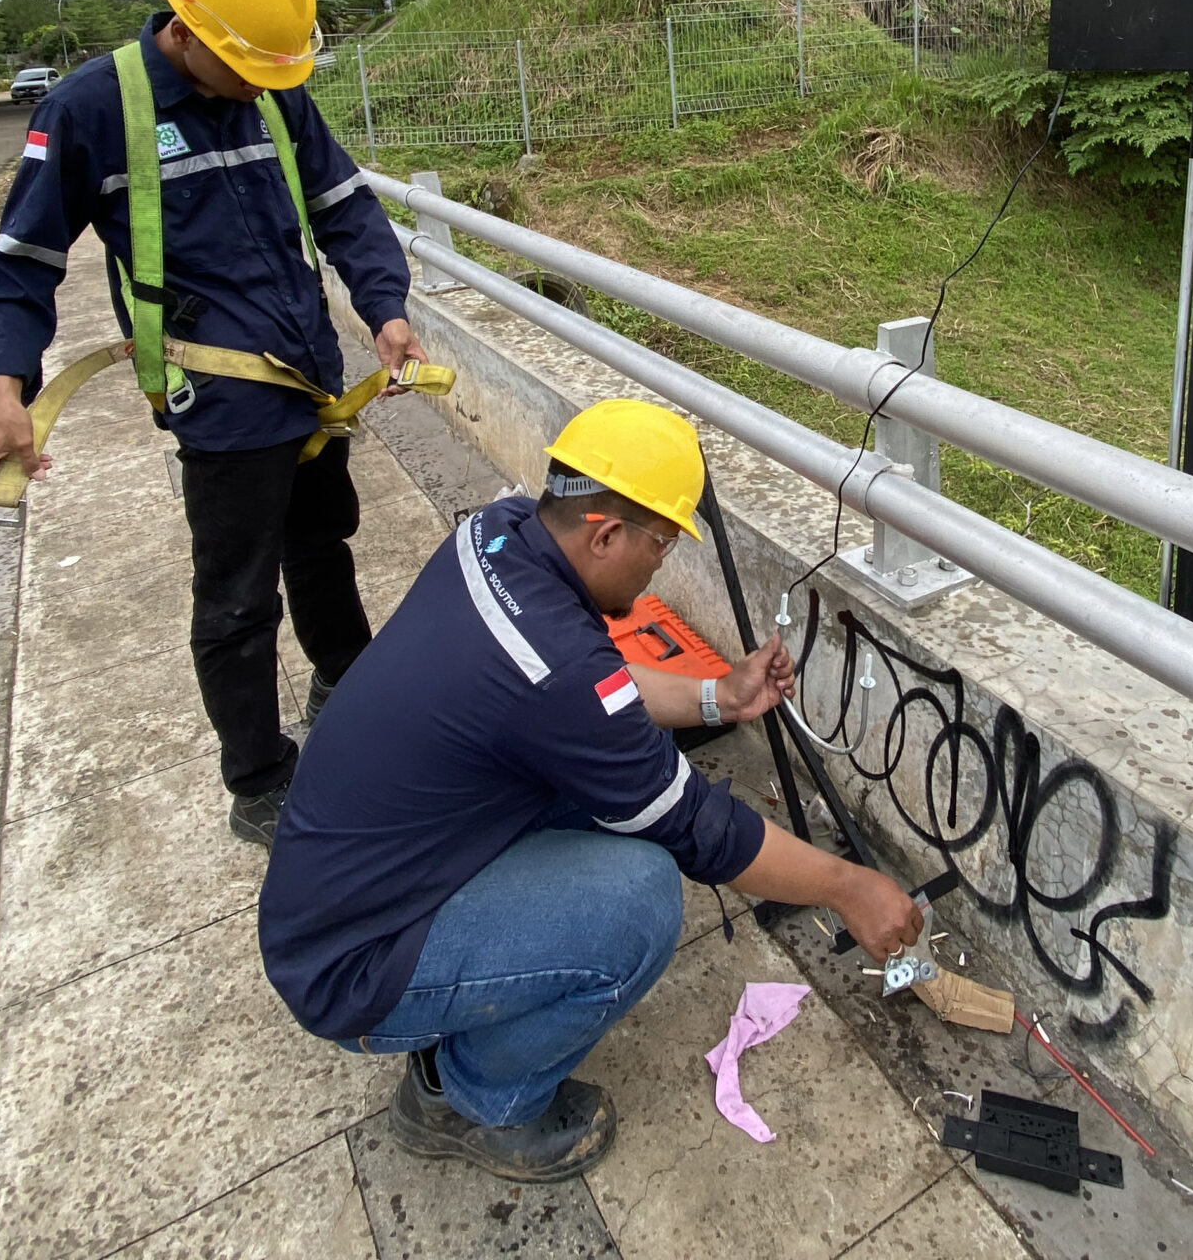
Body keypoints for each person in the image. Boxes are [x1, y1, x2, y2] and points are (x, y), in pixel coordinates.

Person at [259, 398, 925, 1183]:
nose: (661, 565)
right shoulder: (555, 668)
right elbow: (698, 826)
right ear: (605, 535)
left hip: (344, 888)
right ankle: (467, 1097)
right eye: (661, 544)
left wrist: (718, 697)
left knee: (618, 797)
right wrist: (849, 887)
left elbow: (587, 689)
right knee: (639, 900)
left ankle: (465, 1017)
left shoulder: (498, 532)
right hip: (349, 965)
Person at [0, 0, 426, 846]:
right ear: (184, 30)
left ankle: (346, 680)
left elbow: (342, 205)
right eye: (245, 68)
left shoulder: (272, 90)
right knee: (237, 598)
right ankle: (258, 780)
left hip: (308, 378)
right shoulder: (92, 110)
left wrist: (385, 307)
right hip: (220, 404)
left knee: (323, 542)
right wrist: (5, 391)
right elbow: (20, 264)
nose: (261, 87)